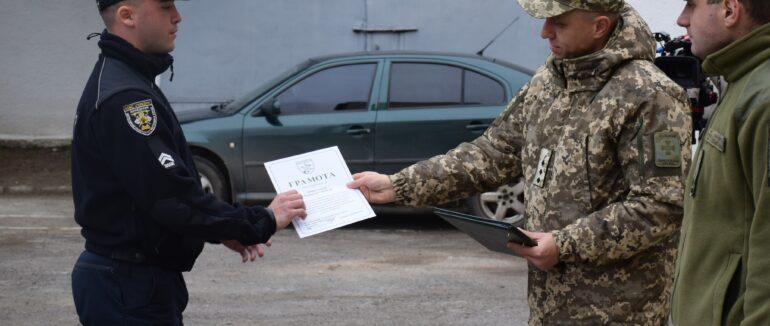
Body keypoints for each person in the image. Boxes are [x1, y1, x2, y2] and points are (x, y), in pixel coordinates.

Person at [348, 0, 691, 324]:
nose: (544, 32)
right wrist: (399, 185)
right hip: (549, 303)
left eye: (558, 23)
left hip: (620, 309)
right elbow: (492, 153)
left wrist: (565, 244)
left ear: (599, 25)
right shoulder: (550, 81)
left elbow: (660, 205)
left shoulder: (649, 95)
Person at [70, 0, 306, 324]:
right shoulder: (126, 97)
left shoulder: (131, 81)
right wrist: (260, 220)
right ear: (127, 15)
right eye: (166, 6)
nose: (178, 17)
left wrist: (221, 229)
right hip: (126, 283)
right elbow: (174, 200)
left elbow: (158, 194)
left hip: (133, 280)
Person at [670, 0, 770, 324]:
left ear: (729, 9)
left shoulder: (763, 97)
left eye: (691, 5)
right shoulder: (740, 81)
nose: (681, 20)